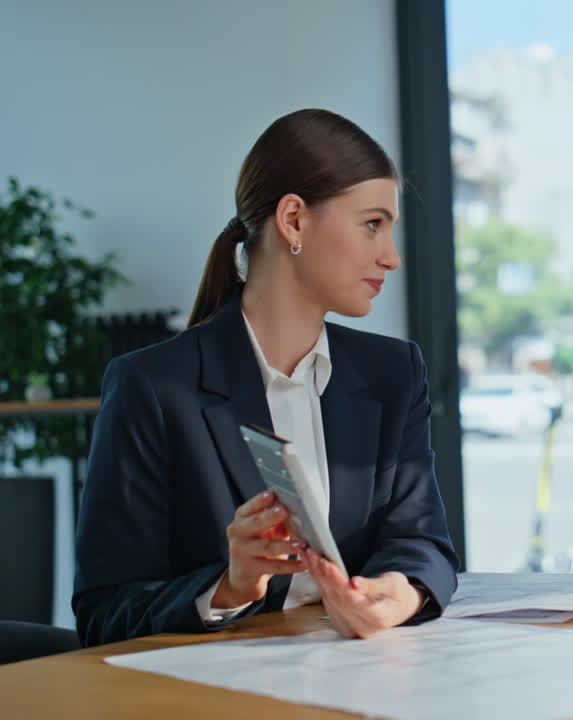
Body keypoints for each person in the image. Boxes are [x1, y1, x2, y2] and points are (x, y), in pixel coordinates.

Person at [74, 109, 458, 646]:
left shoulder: (393, 374)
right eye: (373, 224)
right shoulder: (153, 387)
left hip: (367, 679)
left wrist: (400, 591)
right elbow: (103, 613)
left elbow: (424, 542)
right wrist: (228, 587)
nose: (390, 257)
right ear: (294, 220)